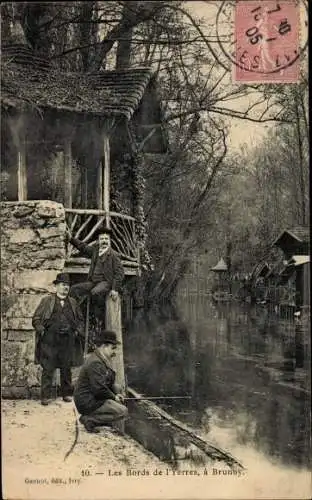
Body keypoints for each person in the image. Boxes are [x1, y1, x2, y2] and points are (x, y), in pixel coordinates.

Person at [32, 272, 85, 405]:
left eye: (67, 285)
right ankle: (45, 396)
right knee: (48, 367)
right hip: (50, 340)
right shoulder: (46, 301)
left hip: (67, 340)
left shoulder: (73, 303)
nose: (65, 288)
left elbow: (80, 320)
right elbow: (36, 319)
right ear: (56, 287)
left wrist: (77, 331)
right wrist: (41, 330)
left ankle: (66, 394)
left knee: (66, 367)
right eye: (62, 285)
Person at [74, 329, 128, 433]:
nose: (114, 352)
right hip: (87, 402)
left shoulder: (100, 358)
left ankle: (98, 418)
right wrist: (114, 397)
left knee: (117, 388)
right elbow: (99, 389)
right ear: (104, 346)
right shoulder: (96, 363)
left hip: (91, 398)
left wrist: (116, 393)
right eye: (113, 348)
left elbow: (107, 383)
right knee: (122, 412)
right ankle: (89, 419)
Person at [67, 228, 124, 319]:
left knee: (95, 292)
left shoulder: (114, 255)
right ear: (98, 241)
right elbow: (83, 247)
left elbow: (119, 273)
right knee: (74, 289)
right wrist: (71, 239)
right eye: (102, 239)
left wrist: (115, 289)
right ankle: (75, 314)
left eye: (106, 239)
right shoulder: (95, 251)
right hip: (93, 282)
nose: (104, 241)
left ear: (109, 241)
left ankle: (95, 318)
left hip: (106, 282)